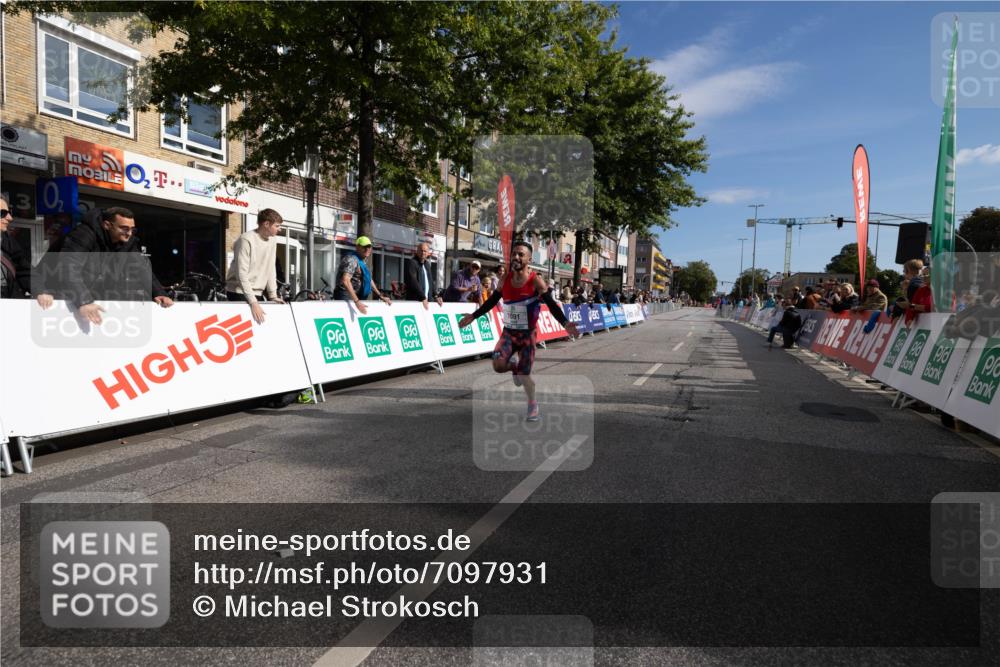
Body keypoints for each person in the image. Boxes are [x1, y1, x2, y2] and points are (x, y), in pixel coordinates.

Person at [458, 241, 578, 421]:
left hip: (527, 336)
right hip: (509, 332)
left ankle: (532, 404)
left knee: (524, 375)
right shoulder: (505, 279)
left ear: (529, 259)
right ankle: (513, 366)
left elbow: (551, 304)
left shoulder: (535, 280)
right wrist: (474, 316)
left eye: (521, 254)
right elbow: (492, 301)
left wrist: (565, 322)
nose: (516, 257)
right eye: (514, 253)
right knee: (498, 365)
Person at [49, 206, 173, 325]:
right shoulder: (83, 234)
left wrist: (158, 292)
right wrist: (84, 301)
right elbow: (68, 266)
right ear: (107, 225)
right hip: (58, 296)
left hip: (91, 296)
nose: (129, 234)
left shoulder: (127, 241)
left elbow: (142, 268)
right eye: (124, 228)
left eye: (132, 229)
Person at [225, 208, 285, 324]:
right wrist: (253, 302)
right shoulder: (246, 239)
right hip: (238, 291)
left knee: (260, 324)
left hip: (257, 292)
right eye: (277, 226)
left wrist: (273, 295)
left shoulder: (273, 241)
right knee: (245, 328)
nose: (280, 229)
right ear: (266, 224)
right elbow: (241, 273)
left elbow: (270, 268)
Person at [0, 195, 53, 308]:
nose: (10, 218)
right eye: (2, 213)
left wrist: (40, 290)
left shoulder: (6, 241)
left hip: (8, 310)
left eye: (9, 212)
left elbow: (23, 269)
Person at [333, 236, 391, 314]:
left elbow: (368, 279)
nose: (367, 249)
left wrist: (380, 295)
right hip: (346, 297)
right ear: (357, 247)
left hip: (355, 297)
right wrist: (357, 302)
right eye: (364, 247)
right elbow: (345, 280)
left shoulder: (362, 260)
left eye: (369, 247)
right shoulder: (351, 259)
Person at [403, 242, 442, 310]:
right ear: (417, 251)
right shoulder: (412, 263)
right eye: (421, 250)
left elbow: (430, 282)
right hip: (416, 301)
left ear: (428, 253)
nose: (423, 253)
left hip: (427, 301)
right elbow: (413, 282)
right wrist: (422, 297)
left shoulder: (427, 264)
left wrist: (436, 296)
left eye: (425, 251)